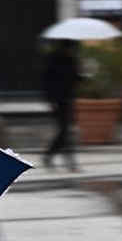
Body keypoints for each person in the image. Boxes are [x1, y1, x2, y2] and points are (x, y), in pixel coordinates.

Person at [42, 39, 80, 171]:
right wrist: (50, 100)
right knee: (64, 130)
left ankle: (67, 160)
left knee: (66, 130)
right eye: (71, 48)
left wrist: (83, 74)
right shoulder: (53, 59)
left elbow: (75, 79)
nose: (73, 51)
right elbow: (46, 81)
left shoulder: (72, 60)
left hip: (69, 99)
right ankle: (52, 156)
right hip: (58, 100)